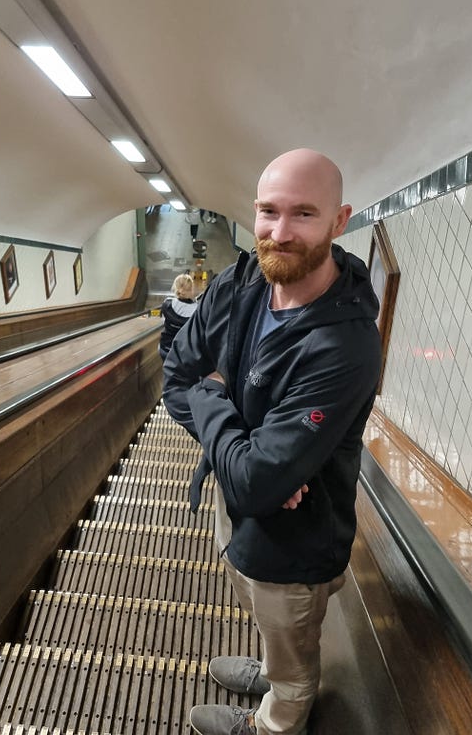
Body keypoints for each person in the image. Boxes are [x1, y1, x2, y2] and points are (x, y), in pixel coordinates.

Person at [163, 149, 382, 735]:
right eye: (268, 211)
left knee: (291, 638)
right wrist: (252, 462)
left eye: (303, 214)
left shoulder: (345, 344)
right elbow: (175, 375)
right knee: (256, 601)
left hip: (298, 536)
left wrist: (216, 408)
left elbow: (256, 475)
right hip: (239, 504)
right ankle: (270, 667)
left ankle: (277, 717)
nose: (279, 233)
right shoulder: (243, 281)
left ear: (340, 221)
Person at [158, 273, 198, 361]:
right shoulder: (197, 309)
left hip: (166, 348)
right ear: (191, 289)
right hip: (185, 353)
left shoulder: (167, 303)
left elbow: (163, 321)